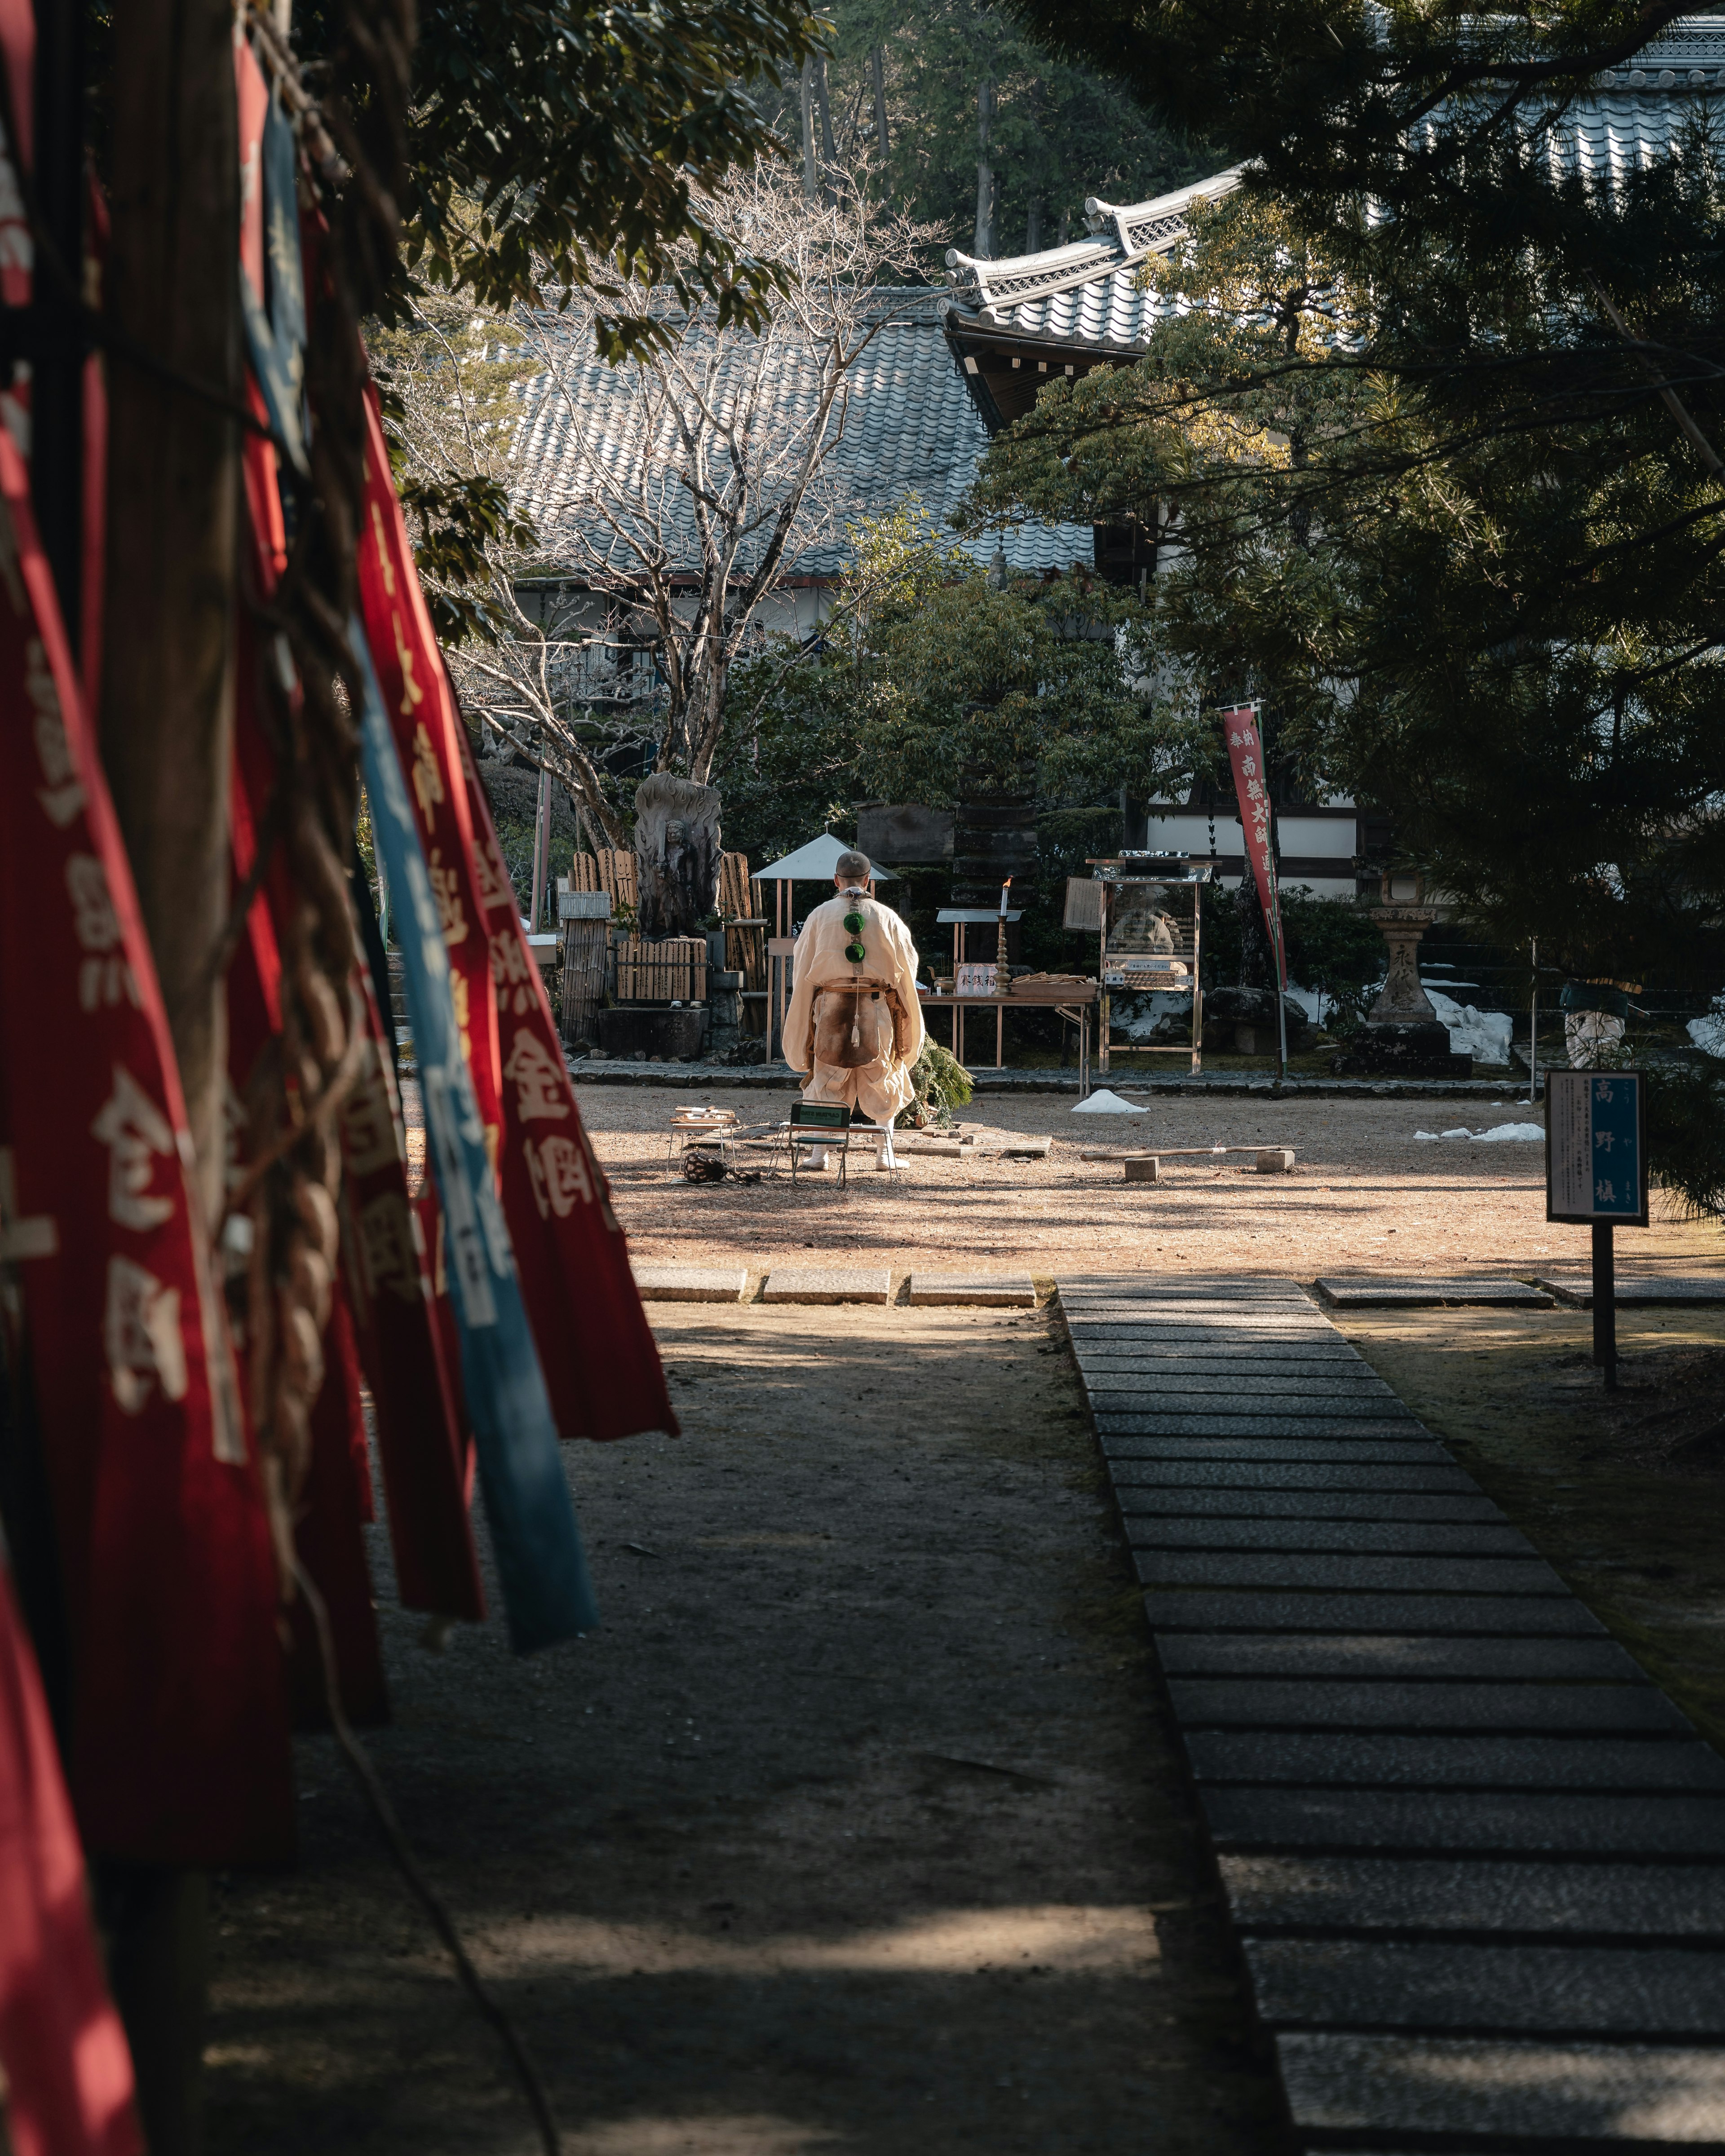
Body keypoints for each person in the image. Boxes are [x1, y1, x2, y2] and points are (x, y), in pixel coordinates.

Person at [783, 849, 924, 1131]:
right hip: (877, 1005)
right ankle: (886, 1154)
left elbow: (803, 967)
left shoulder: (819, 916)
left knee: (826, 1075)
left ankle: (818, 1152)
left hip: (830, 1007)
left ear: (836, 880)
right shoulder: (887, 917)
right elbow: (908, 966)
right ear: (868, 880)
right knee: (883, 1075)